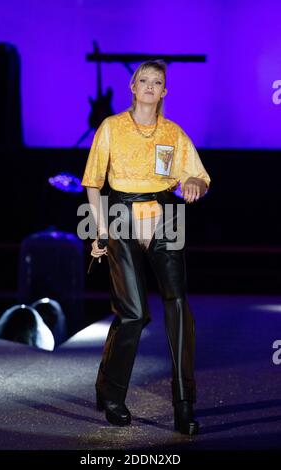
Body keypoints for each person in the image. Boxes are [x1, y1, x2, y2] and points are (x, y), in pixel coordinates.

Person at [81, 60, 210, 435]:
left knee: (179, 306)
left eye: (158, 82)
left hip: (166, 214)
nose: (151, 86)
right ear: (132, 87)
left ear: (165, 91)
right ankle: (111, 392)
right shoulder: (111, 128)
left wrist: (194, 187)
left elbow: (198, 177)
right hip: (120, 212)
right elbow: (93, 183)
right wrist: (100, 229)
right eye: (144, 80)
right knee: (134, 313)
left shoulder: (173, 132)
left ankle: (184, 406)